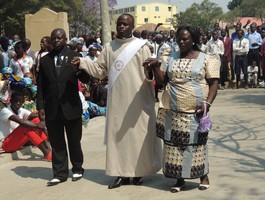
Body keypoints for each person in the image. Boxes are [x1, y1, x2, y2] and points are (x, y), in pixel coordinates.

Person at [71, 13, 162, 189]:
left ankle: (137, 173)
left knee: (138, 137)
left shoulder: (141, 47)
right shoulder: (109, 47)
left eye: (125, 24)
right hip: (118, 101)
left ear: (132, 27)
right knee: (118, 138)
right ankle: (121, 174)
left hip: (139, 98)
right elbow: (99, 70)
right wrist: (82, 62)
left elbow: (149, 75)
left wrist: (151, 71)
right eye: (119, 24)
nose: (121, 27)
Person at [143, 25, 220, 193]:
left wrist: (207, 104)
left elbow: (214, 83)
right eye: (179, 39)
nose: (181, 42)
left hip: (196, 109)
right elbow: (162, 81)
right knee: (174, 144)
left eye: (185, 39)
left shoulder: (206, 58)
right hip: (172, 108)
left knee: (197, 143)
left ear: (194, 40)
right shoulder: (171, 58)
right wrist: (156, 66)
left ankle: (203, 175)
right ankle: (180, 178)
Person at [37, 28, 89, 186]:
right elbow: (41, 86)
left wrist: (78, 71)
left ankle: (78, 169)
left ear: (65, 39)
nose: (57, 40)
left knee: (74, 140)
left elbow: (86, 77)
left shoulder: (75, 56)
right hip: (52, 107)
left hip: (71, 106)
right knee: (57, 141)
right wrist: (40, 106)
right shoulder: (45, 60)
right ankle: (59, 173)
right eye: (54, 38)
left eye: (60, 38)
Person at [0, 92, 51, 161]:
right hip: (6, 144)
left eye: (20, 102)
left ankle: (48, 148)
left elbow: (37, 116)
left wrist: (42, 121)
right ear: (11, 100)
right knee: (24, 126)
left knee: (36, 120)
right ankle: (46, 153)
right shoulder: (5, 111)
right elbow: (21, 122)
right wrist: (38, 126)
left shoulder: (20, 110)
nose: (18, 103)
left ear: (22, 102)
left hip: (17, 141)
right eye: (16, 101)